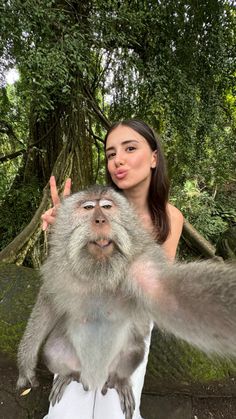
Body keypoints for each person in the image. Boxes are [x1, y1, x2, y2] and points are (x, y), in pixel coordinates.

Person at [41, 119, 184, 419]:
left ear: (154, 157)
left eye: (129, 148)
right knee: (68, 410)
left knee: (117, 412)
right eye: (110, 153)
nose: (117, 159)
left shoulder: (170, 218)